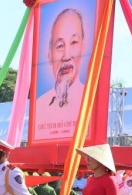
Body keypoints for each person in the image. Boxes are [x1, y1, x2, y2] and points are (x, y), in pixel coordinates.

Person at [34, 8, 87, 140]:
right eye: (60, 46)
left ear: (83, 47)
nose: (66, 56)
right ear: (49, 54)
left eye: (73, 42)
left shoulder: (91, 101)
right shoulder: (39, 106)